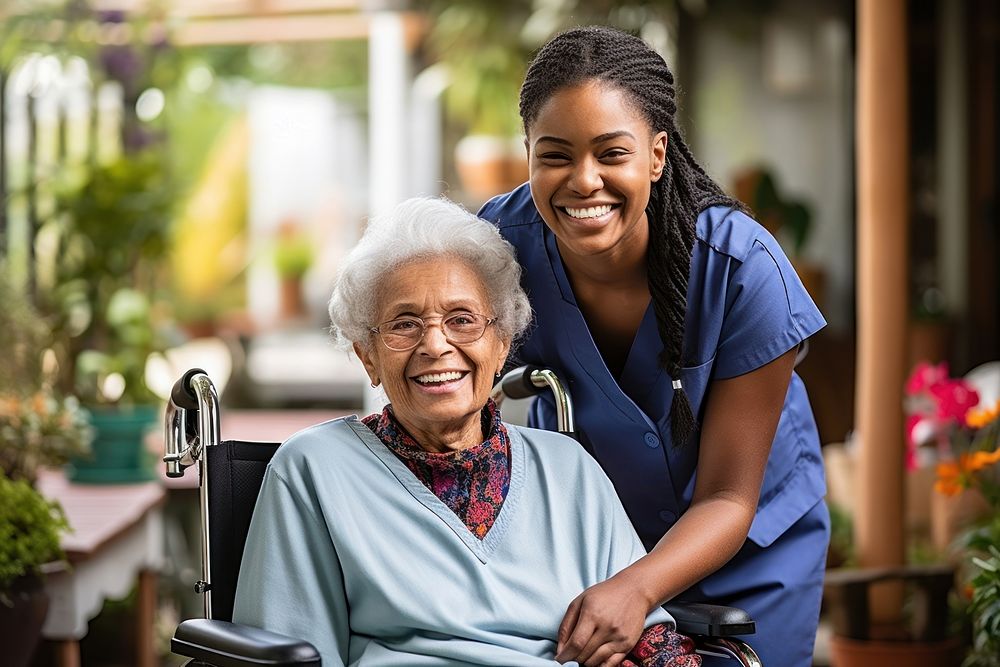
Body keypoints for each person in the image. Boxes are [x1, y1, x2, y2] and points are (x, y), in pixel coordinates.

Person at [478, 26, 829, 667]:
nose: (584, 182)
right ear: (527, 152)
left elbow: (728, 497)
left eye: (612, 153)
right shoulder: (495, 250)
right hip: (590, 552)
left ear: (657, 155)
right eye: (554, 155)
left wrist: (636, 589)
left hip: (749, 551)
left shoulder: (740, 268)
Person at [232, 197, 702, 666]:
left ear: (501, 346)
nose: (435, 345)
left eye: (461, 320)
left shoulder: (569, 467)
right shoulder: (313, 469)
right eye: (404, 324)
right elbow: (290, 650)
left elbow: (648, 635)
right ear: (368, 357)